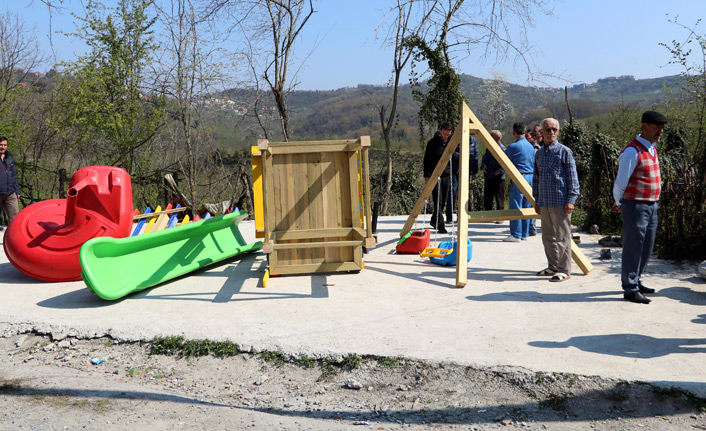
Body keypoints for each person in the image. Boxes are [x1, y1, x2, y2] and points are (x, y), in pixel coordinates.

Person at [612, 111, 668, 304]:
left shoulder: (652, 148)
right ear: (644, 127)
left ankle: (637, 279)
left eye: (661, 128)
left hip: (651, 204)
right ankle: (630, 288)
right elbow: (621, 180)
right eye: (656, 127)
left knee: (647, 246)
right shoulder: (632, 151)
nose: (660, 131)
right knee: (633, 247)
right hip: (635, 204)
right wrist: (618, 201)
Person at [532, 118, 579, 282]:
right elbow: (536, 178)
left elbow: (573, 178)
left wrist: (571, 199)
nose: (551, 132)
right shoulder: (538, 153)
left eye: (554, 129)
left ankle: (564, 269)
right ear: (541, 132)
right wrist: (536, 200)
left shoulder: (565, 152)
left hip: (561, 202)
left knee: (563, 238)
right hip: (544, 202)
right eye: (548, 129)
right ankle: (552, 267)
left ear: (558, 131)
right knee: (547, 237)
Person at [503, 123, 535, 242]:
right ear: (525, 131)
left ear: (514, 132)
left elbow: (504, 160)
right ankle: (525, 233)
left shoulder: (513, 147)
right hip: (530, 177)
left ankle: (516, 234)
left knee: (516, 205)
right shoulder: (531, 146)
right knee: (527, 205)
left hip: (519, 176)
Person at [423, 122, 454, 234]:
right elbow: (426, 160)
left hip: (446, 174)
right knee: (438, 200)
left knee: (443, 199)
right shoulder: (432, 143)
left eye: (448, 134)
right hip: (434, 175)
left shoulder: (451, 142)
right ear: (440, 131)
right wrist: (426, 175)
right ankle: (440, 224)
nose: (446, 136)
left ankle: (434, 219)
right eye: (444, 133)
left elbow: (456, 156)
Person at [480, 130, 506, 223]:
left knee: (499, 198)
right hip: (488, 176)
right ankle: (488, 216)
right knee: (488, 197)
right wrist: (484, 165)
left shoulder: (502, 149)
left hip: (498, 178)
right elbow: (484, 158)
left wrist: (500, 171)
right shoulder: (489, 148)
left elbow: (506, 163)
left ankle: (500, 217)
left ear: (498, 139)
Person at [451, 135, 479, 215]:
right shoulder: (456, 137)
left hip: (467, 170)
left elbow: (475, 156)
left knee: (464, 193)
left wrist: (474, 171)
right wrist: (463, 156)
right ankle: (449, 215)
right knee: (453, 191)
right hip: (456, 170)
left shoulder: (473, 140)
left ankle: (461, 215)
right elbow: (452, 152)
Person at [0, 136, 20, 230]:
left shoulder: (9, 157)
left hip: (10, 193)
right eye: (1, 145)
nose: (3, 147)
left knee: (16, 218)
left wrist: (17, 191)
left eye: (5, 145)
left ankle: (14, 242)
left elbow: (14, 175)